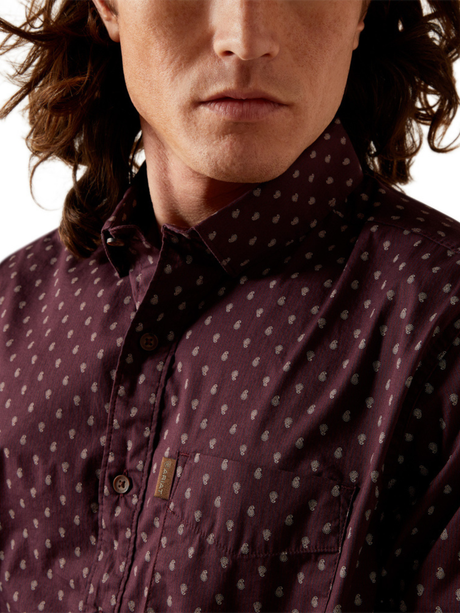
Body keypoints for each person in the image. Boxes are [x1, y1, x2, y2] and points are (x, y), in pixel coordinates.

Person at [1, 0, 460, 611]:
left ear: (362, 10)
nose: (244, 39)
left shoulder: (441, 323)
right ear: (108, 5)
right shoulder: (11, 310)